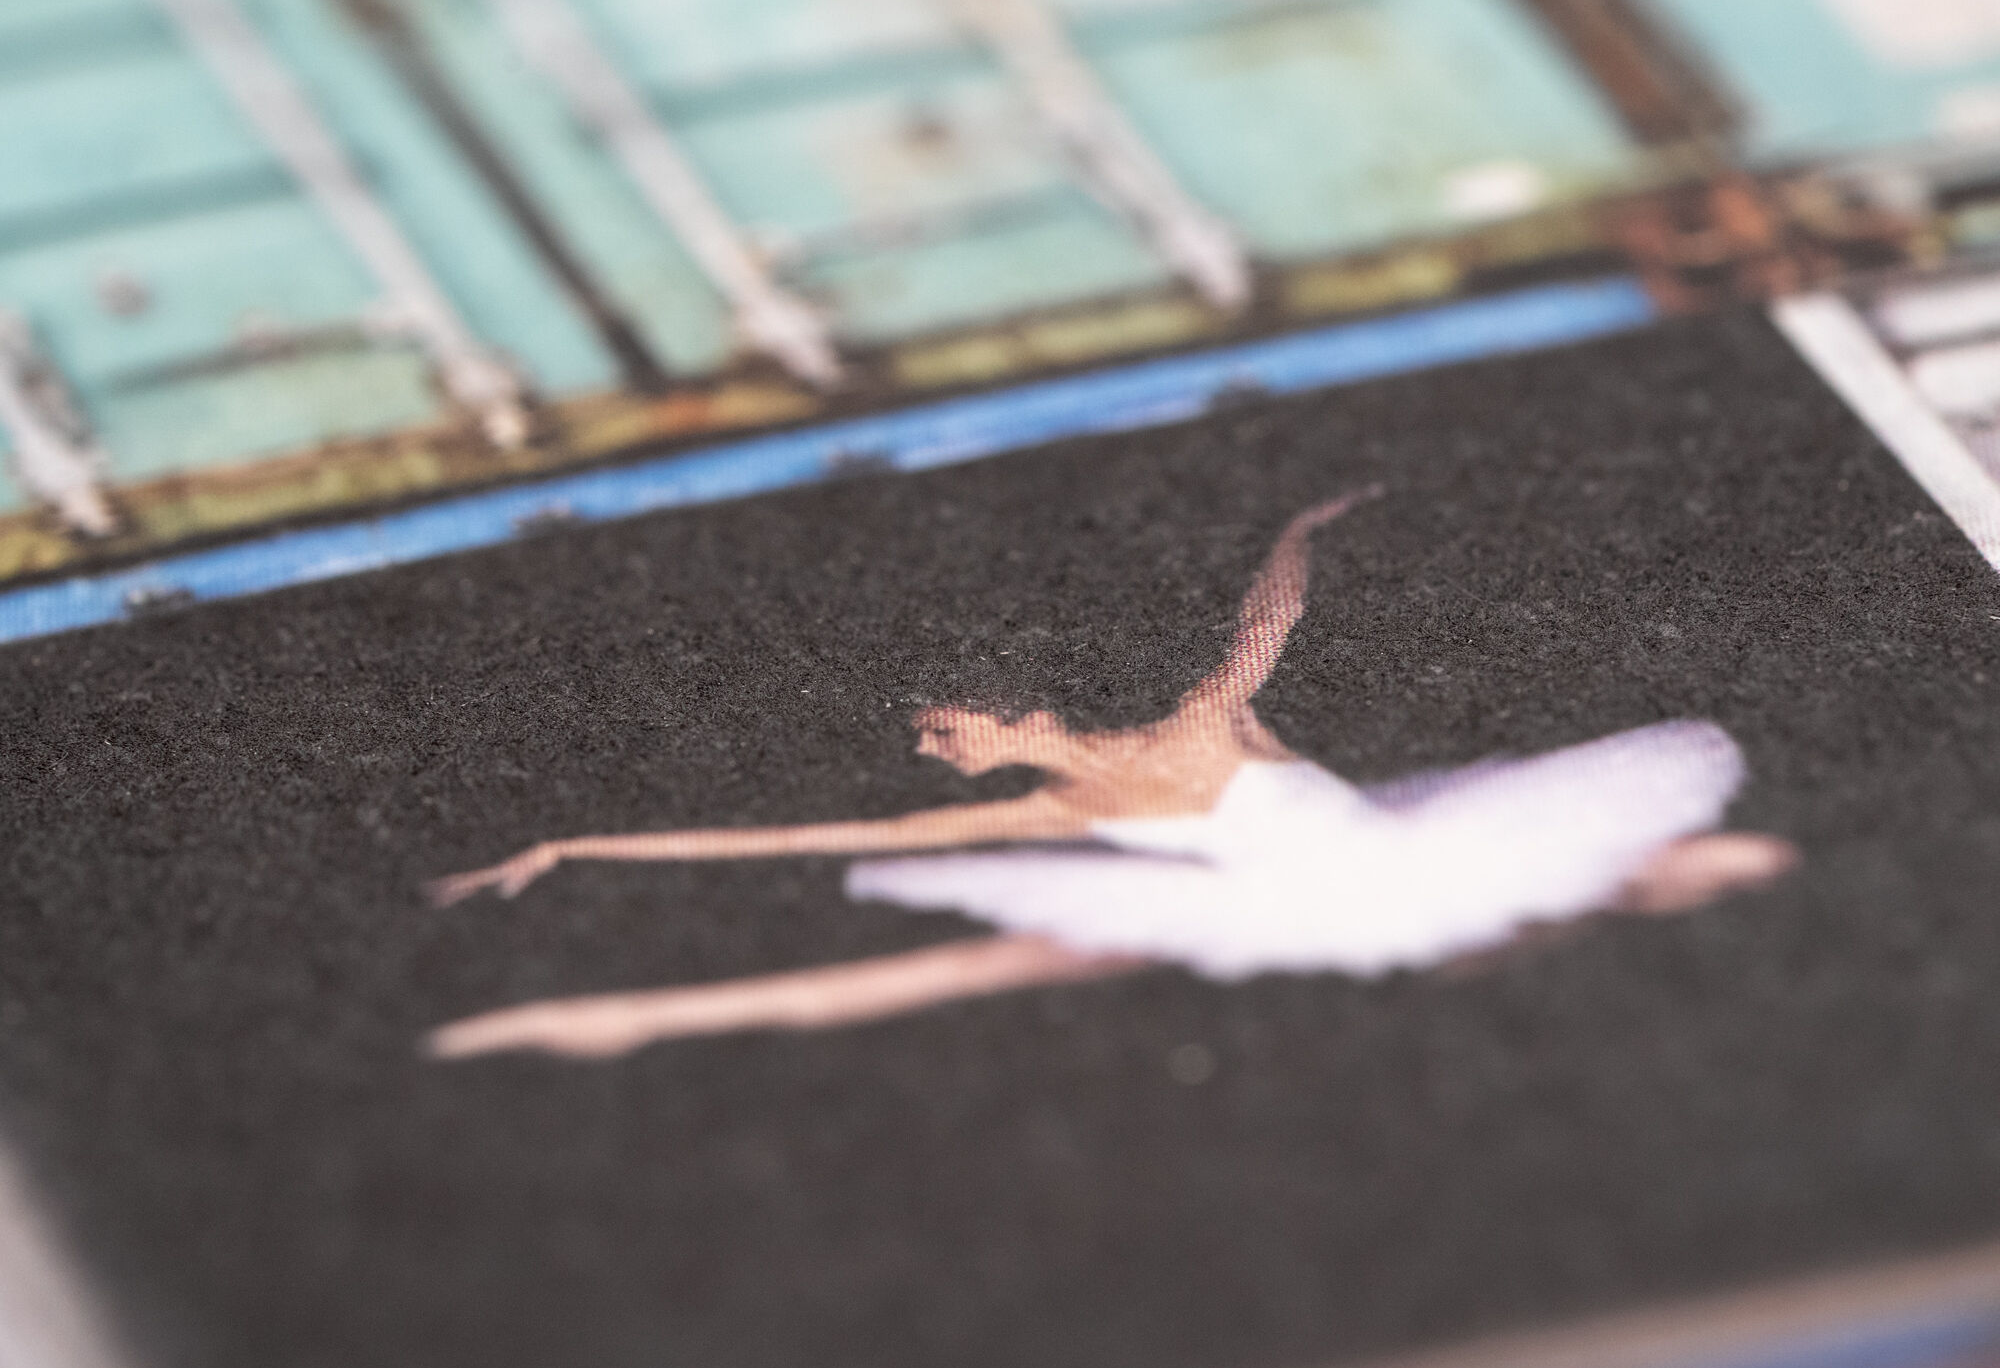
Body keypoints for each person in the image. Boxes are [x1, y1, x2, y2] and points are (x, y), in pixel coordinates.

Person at [426, 492, 1796, 1059]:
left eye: (956, 719)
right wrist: (577, 849)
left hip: (1403, 857)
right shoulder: (1051, 808)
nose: (958, 734)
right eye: (949, 738)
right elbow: (798, 838)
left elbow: (1269, 618)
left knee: (1628, 870)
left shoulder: (1208, 723)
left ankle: (611, 1018)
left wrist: (1300, 526)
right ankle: (608, 1019)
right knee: (970, 968)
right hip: (1287, 899)